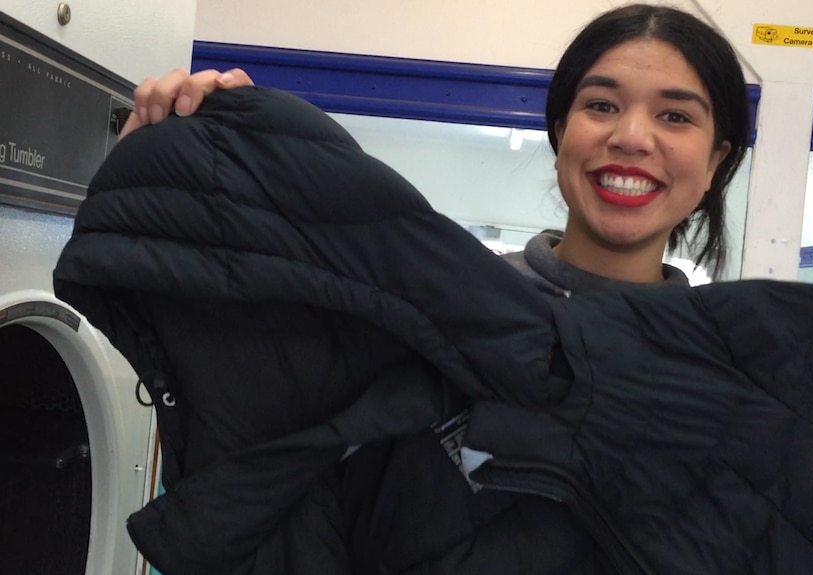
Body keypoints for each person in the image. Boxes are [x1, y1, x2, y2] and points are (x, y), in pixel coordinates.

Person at [120, 3, 751, 572]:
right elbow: (271, 405)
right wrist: (196, 154)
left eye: (675, 115)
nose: (632, 137)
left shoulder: (741, 379)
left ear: (717, 159)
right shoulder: (427, 305)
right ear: (562, 131)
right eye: (602, 104)